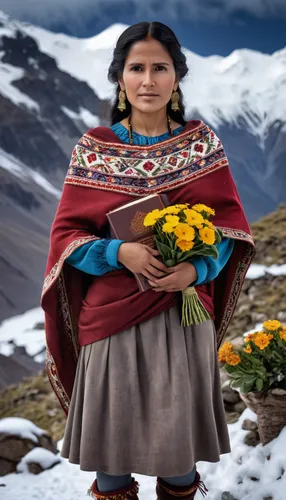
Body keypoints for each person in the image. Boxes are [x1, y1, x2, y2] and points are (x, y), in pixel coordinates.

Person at [41, 21, 255, 500]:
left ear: (177, 76)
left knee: (177, 463)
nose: (148, 80)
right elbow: (66, 236)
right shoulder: (94, 151)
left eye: (160, 68)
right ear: (120, 77)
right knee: (112, 466)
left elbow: (227, 232)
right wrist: (120, 252)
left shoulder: (202, 146)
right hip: (110, 322)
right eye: (137, 68)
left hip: (180, 319)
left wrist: (195, 270)